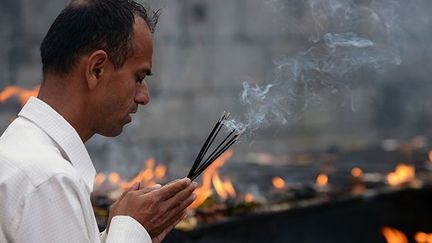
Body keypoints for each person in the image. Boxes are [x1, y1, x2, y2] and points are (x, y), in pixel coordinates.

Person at [0, 0, 198, 242]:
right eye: (138, 77)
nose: (143, 96)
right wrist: (131, 231)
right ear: (96, 69)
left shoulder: (23, 150)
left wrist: (117, 232)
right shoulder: (48, 179)